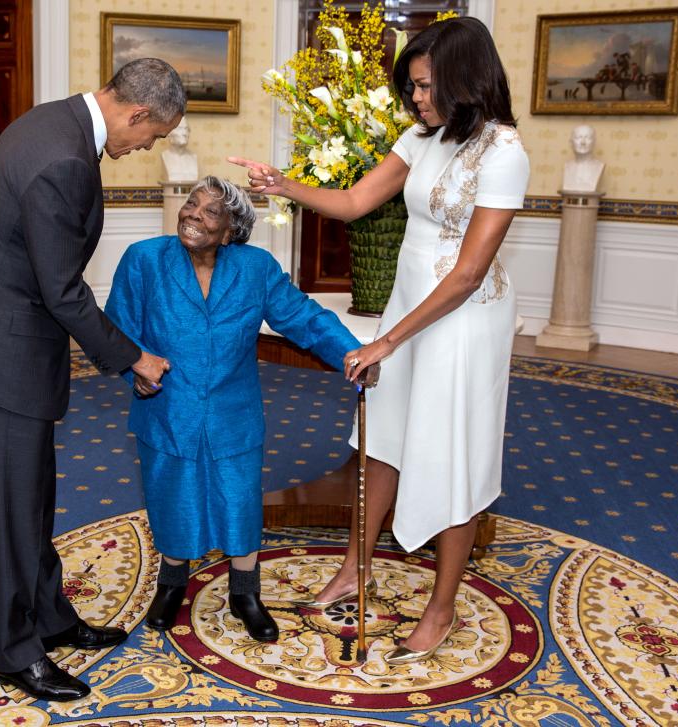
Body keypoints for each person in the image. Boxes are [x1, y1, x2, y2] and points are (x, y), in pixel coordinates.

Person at [230, 16, 529, 664]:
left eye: (424, 85)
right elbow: (356, 200)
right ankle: (354, 567)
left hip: (467, 320)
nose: (416, 98)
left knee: (454, 454)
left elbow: (470, 270)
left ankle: (442, 604)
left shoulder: (505, 151)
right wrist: (282, 183)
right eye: (412, 86)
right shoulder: (421, 137)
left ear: (463, 77)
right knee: (381, 438)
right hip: (410, 302)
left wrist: (387, 340)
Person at [0, 58, 185, 702]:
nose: (143, 149)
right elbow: (63, 292)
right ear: (135, 113)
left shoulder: (52, 118)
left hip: (2, 328)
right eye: (149, 138)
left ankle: (50, 616)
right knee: (14, 508)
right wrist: (134, 358)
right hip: (3, 348)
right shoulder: (65, 157)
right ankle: (16, 654)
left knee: (33, 495)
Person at [104, 177, 376, 642]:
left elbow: (303, 317)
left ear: (231, 232)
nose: (194, 214)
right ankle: (171, 585)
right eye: (192, 204)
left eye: (211, 212)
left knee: (240, 501)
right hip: (167, 408)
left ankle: (244, 593)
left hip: (235, 412)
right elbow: (116, 328)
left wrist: (352, 352)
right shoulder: (144, 260)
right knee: (172, 496)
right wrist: (136, 372)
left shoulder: (256, 268)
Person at [562, 124, 604, 193]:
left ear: (594, 142)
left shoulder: (599, 166)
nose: (583, 142)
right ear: (570, 143)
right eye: (578, 137)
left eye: (588, 138)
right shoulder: (567, 166)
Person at [161, 115, 199, 182]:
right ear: (169, 132)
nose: (184, 133)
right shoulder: (164, 155)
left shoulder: (193, 157)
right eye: (180, 128)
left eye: (187, 129)